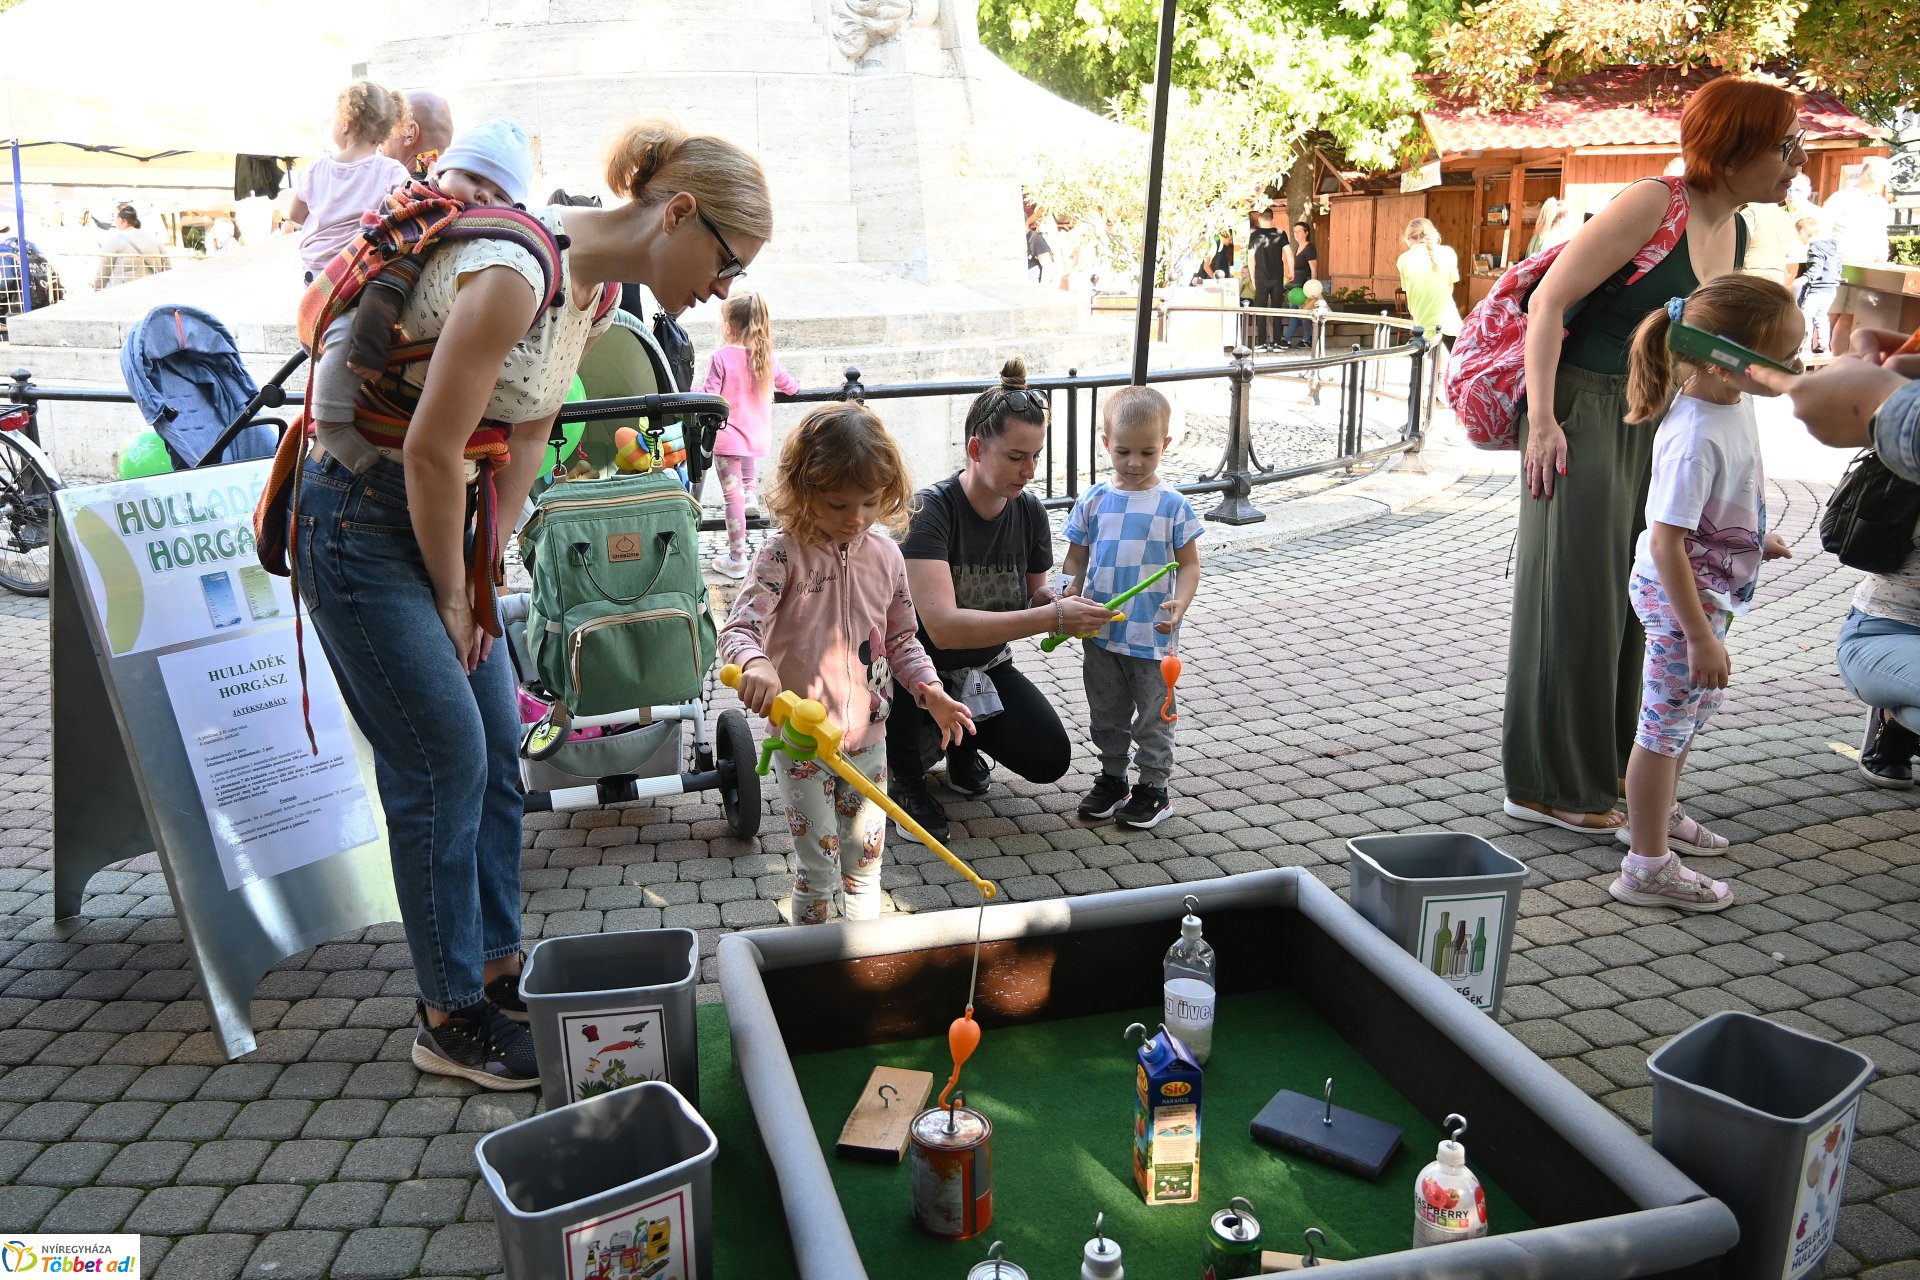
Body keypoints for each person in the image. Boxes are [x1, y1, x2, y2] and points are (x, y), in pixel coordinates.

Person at [294, 120, 770, 1087]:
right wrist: (453, 593)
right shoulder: (517, 265)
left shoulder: (589, 293)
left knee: (495, 760)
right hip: (359, 520)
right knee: (442, 761)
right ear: (675, 212)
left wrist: (486, 568)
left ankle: (497, 971)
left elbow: (528, 425)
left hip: (433, 525)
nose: (723, 290)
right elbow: (432, 448)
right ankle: (449, 1013)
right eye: (726, 261)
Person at [1504, 75, 1803, 837]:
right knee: (1578, 600)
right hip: (1584, 411)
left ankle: (1614, 775)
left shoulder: (1734, 228)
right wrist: (1544, 422)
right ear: (1734, 149)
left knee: (1642, 603)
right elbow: (1548, 302)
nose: (1794, 161)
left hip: (1653, 416)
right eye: (1782, 146)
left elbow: (1709, 350)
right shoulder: (1652, 201)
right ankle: (1548, 786)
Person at [719, 405, 975, 923]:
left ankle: (862, 959)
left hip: (868, 741)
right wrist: (756, 664)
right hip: (803, 742)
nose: (855, 518)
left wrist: (930, 690)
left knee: (867, 864)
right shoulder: (782, 555)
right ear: (801, 489)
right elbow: (739, 629)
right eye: (837, 504)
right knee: (817, 869)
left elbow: (902, 640)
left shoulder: (886, 556)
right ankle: (808, 966)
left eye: (869, 502)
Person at [1611, 276, 1802, 910]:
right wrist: (1696, 636)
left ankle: (1659, 817)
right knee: (1662, 729)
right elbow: (1667, 543)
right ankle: (1645, 866)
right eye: (1786, 350)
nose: (1798, 364)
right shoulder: (1694, 436)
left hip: (1704, 592)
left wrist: (1750, 541)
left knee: (1686, 717)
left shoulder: (1734, 403)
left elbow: (1722, 503)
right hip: (1679, 604)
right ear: (1727, 354)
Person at [887, 359, 1117, 842]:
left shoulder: (1029, 509)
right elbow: (943, 627)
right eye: (1016, 457)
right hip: (913, 674)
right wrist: (1049, 615)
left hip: (986, 668)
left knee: (1049, 758)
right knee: (905, 716)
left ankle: (960, 744)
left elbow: (1037, 591)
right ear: (975, 448)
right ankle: (904, 779)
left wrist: (1061, 601)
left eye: (1035, 455)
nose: (1030, 471)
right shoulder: (931, 511)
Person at [1745, 331, 1920, 787]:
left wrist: (1878, 399)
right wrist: (1878, 403)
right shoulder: (1902, 476)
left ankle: (1900, 715)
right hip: (1886, 630)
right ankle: (1893, 716)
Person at [306, 121, 539, 460]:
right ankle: (330, 420)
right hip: (364, 299)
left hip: (412, 330)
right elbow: (387, 283)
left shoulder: (486, 236)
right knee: (345, 333)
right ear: (438, 171)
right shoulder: (425, 214)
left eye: (500, 194)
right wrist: (369, 349)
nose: (483, 195)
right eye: (472, 178)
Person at [1062, 386, 1203, 829]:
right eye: (1123, 451)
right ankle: (1113, 778)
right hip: (1100, 633)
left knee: (1154, 715)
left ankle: (1154, 789)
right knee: (1106, 712)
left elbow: (1191, 564)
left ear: (1165, 444)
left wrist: (1180, 602)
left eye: (1147, 451)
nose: (1135, 462)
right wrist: (1066, 595)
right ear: (1106, 443)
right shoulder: (1094, 499)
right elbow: (1076, 556)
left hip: (1151, 637)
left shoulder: (1174, 505)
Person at [703, 292, 799, 579]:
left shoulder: (721, 357)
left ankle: (737, 558)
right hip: (754, 438)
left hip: (727, 437)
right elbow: (790, 387)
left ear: (729, 325)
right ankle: (751, 495)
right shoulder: (766, 356)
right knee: (742, 487)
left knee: (729, 498)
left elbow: (709, 397)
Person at [288, 82, 412, 282]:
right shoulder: (392, 171)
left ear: (345, 123)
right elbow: (409, 209)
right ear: (386, 132)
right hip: (362, 272)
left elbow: (295, 214)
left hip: (317, 274)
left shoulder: (315, 169)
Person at [1822, 157, 1894, 354]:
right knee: (1830, 314)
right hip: (1838, 263)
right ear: (1868, 174)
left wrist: (1883, 256)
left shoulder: (1880, 203)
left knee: (1850, 316)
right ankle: (1819, 363)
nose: (1884, 183)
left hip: (1866, 267)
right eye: (1882, 177)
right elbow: (1823, 227)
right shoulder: (1841, 197)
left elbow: (1882, 232)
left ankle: (1835, 363)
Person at [1396, 218, 1463, 352]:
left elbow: (1410, 292)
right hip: (1449, 324)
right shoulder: (1448, 253)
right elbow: (1449, 287)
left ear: (1408, 238)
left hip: (1422, 326)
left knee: (1427, 369)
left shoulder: (1403, 259)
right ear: (1434, 234)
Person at [383, 89, 456, 181]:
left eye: (386, 128)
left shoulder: (405, 190)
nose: (379, 139)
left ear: (409, 133)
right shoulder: (460, 183)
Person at [93, 204, 167, 289]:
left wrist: (97, 289)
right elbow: (167, 267)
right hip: (151, 290)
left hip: (125, 292)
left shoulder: (114, 241)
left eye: (116, 217)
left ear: (122, 220)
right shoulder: (155, 240)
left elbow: (103, 273)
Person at [1795, 215, 1840, 354]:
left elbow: (1816, 267)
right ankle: (1822, 343)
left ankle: (1804, 344)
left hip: (1817, 289)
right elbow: (1838, 266)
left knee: (1805, 315)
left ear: (1803, 232)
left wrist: (1805, 278)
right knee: (1821, 316)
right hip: (1830, 289)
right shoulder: (1830, 248)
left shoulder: (1815, 248)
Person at [1249, 209, 1289, 351]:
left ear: (1260, 218)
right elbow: (1289, 254)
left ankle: (1261, 343)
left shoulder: (1254, 235)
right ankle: (1277, 342)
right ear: (1273, 218)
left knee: (1261, 309)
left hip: (1261, 276)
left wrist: (1252, 277)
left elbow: (1251, 258)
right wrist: (1291, 272)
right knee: (1277, 309)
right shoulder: (1280, 233)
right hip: (1277, 276)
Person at [1284, 221, 1317, 348]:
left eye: (1299, 231)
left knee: (1304, 314)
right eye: (1295, 232)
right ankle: (1288, 339)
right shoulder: (1298, 247)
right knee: (1295, 313)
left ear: (1306, 233)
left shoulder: (1309, 248)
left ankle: (1305, 339)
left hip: (1304, 286)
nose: (1296, 234)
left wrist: (1312, 288)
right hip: (1295, 287)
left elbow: (1313, 268)